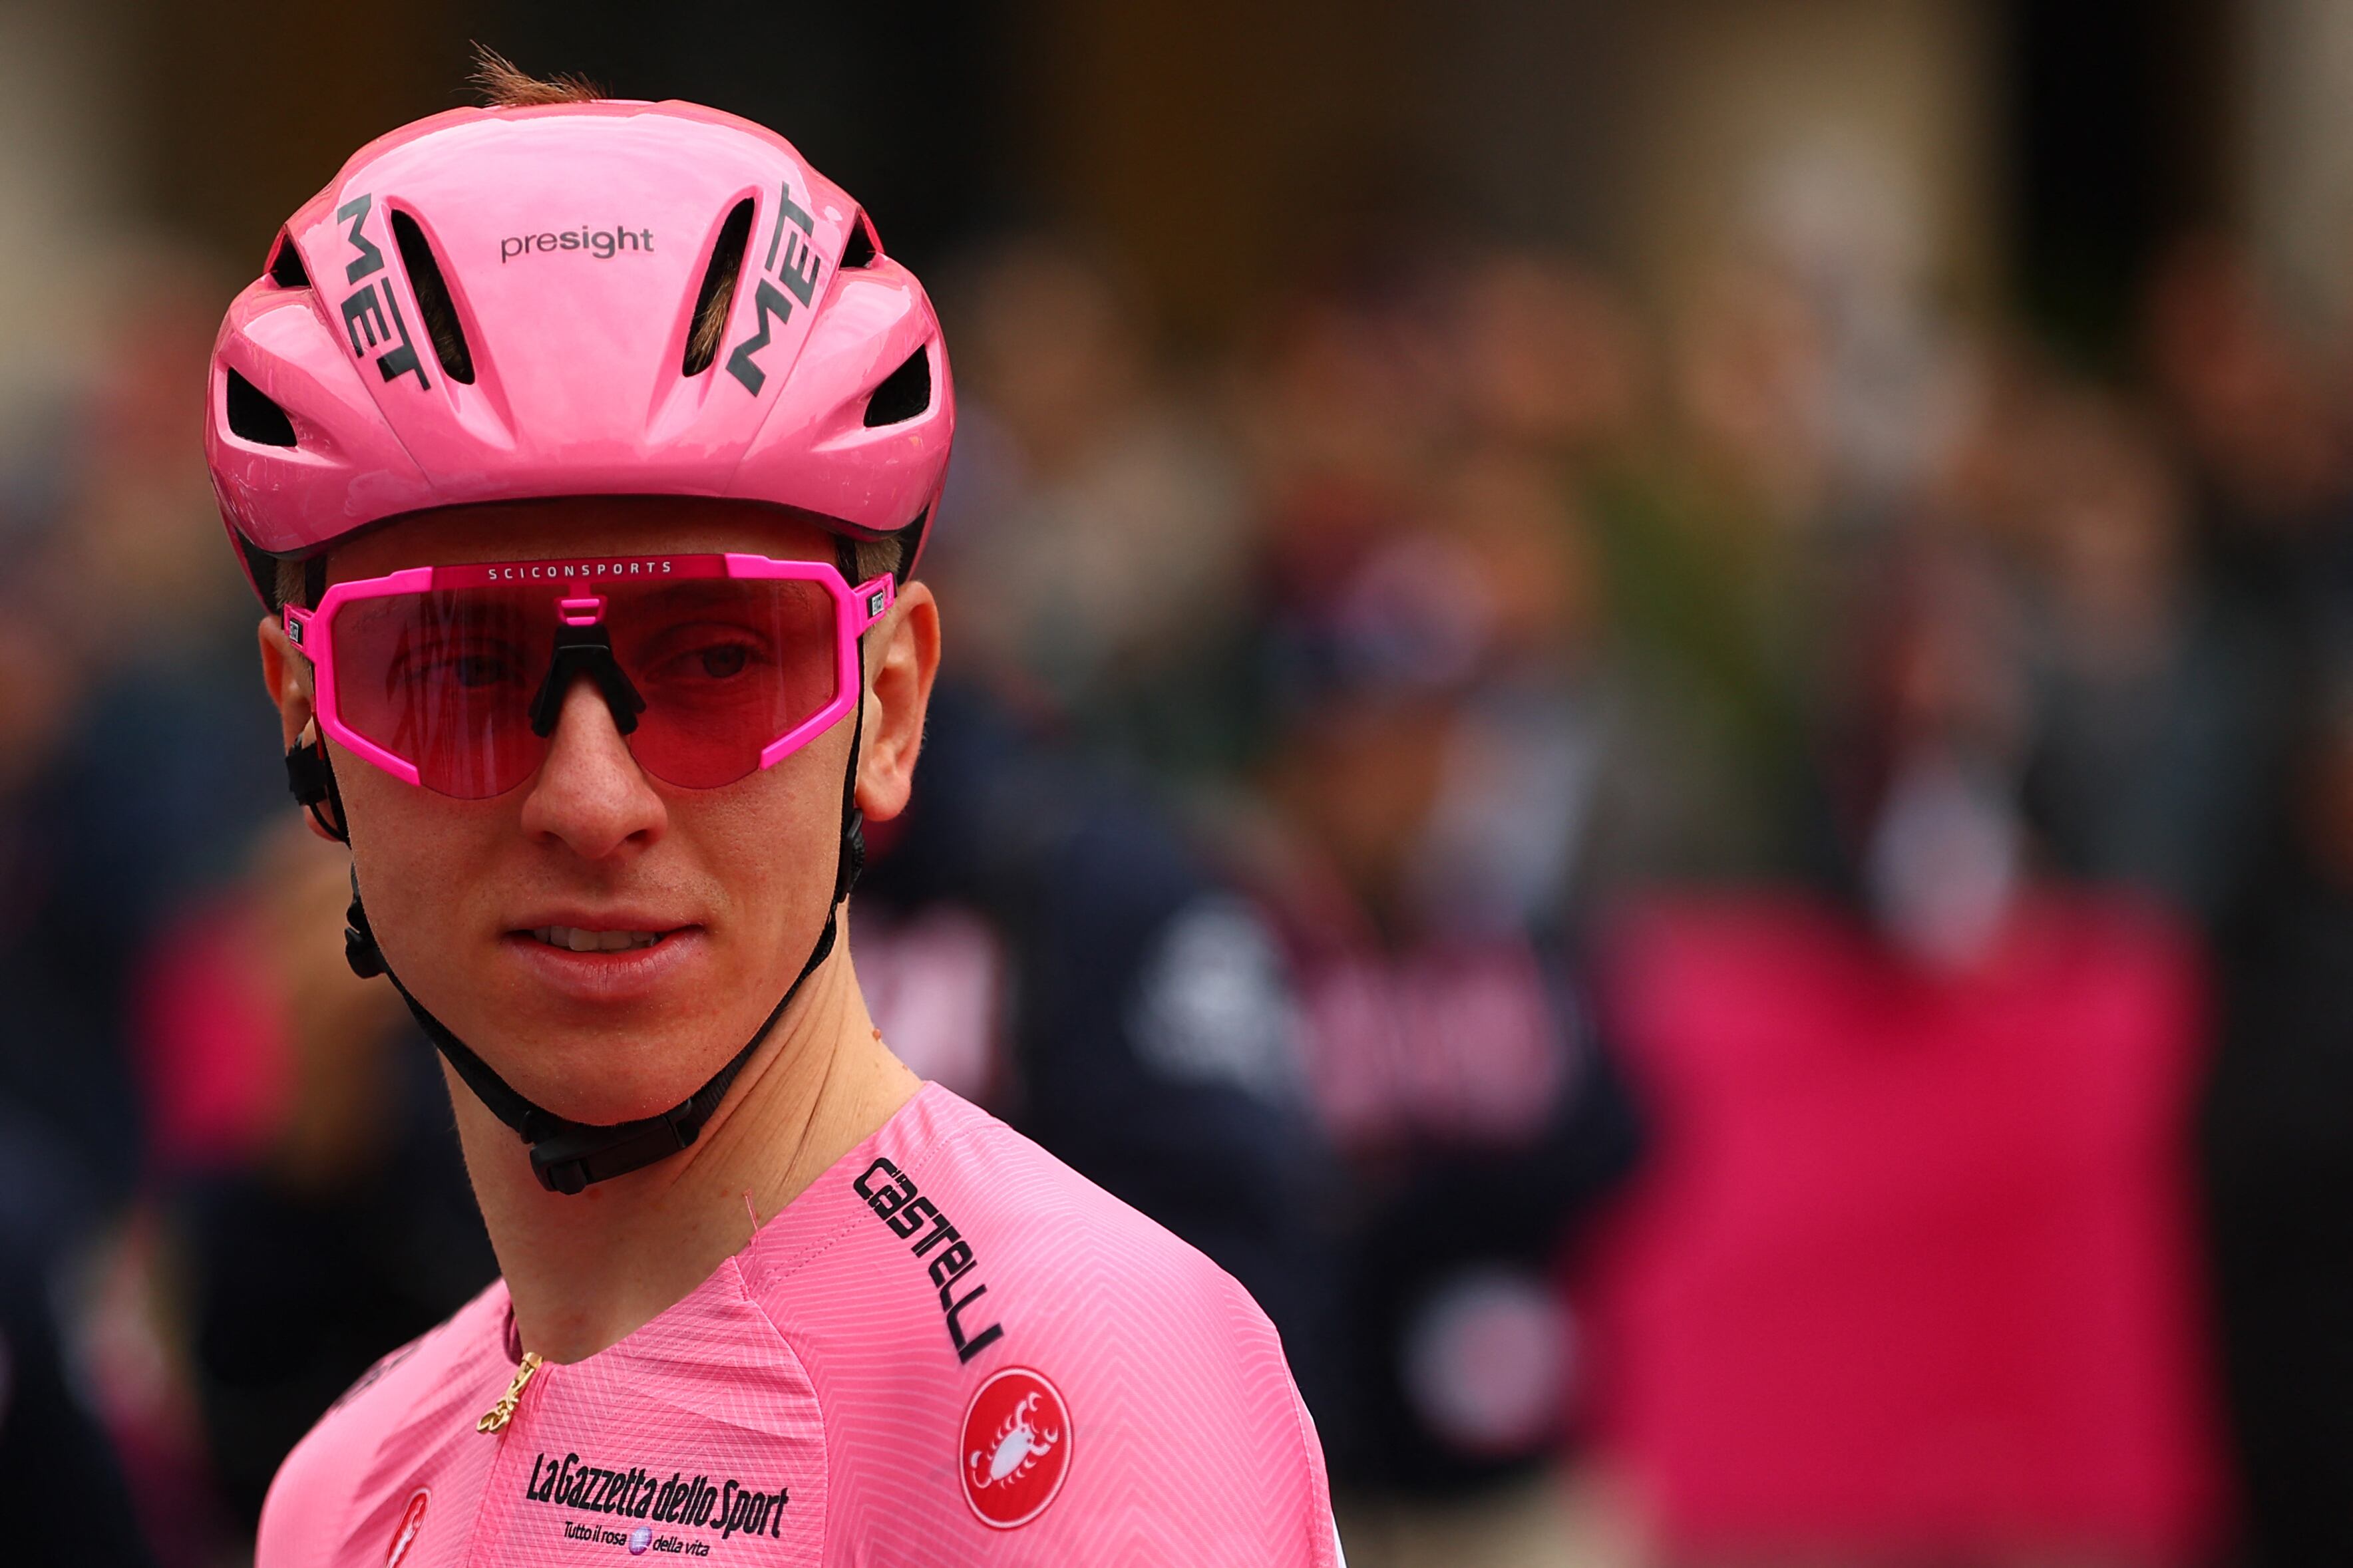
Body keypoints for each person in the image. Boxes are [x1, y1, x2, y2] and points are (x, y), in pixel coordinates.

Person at [205, 55, 1340, 1567]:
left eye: (722, 658)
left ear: (888, 710)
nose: (593, 799)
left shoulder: (1085, 1392)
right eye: (461, 669)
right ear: (308, 726)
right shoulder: (336, 1489)